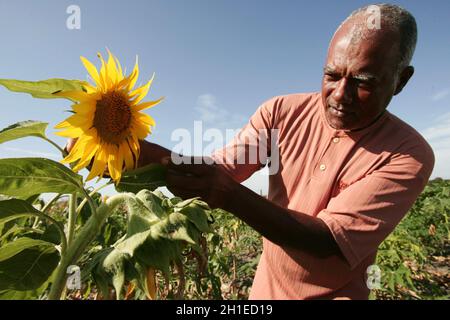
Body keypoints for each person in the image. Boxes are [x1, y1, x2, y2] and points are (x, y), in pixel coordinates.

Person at [69, 3, 435, 299]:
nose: (340, 95)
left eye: (363, 82)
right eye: (332, 75)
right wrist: (123, 151)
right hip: (266, 290)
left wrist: (226, 194)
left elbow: (326, 240)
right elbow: (220, 169)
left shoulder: (407, 154)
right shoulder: (281, 113)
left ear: (401, 80)